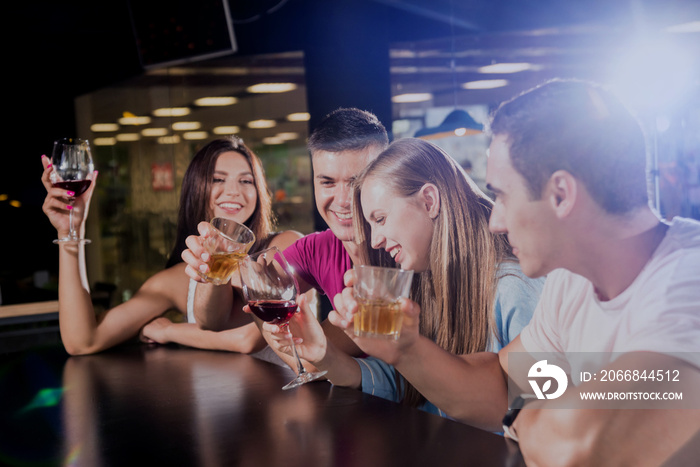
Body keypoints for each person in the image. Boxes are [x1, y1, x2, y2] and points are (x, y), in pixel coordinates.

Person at [327, 79, 700, 465]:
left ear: (560, 194)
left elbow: (579, 443)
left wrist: (534, 411)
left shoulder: (686, 287)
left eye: (502, 195)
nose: (495, 221)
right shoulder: (569, 280)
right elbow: (504, 385)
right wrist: (405, 349)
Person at [262, 138, 543, 417]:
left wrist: (405, 351)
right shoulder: (425, 279)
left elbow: (540, 413)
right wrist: (327, 356)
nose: (374, 242)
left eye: (380, 219)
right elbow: (415, 387)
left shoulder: (514, 289)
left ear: (429, 202)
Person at [41, 136, 301, 355]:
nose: (233, 191)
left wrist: (169, 330)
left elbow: (248, 340)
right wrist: (70, 233)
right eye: (218, 179)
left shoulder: (287, 246)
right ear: (196, 189)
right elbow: (83, 341)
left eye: (246, 181)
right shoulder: (178, 278)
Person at [186, 108, 389, 370]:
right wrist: (211, 270)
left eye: (356, 182)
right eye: (327, 182)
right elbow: (213, 322)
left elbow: (313, 361)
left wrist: (259, 297)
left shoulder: (402, 252)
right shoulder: (315, 249)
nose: (342, 200)